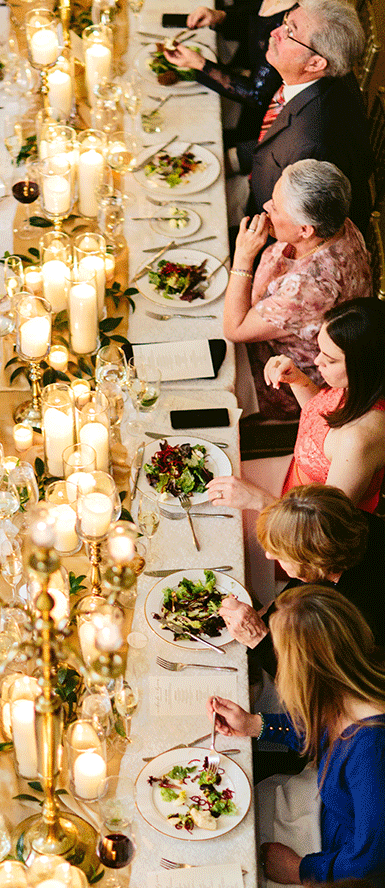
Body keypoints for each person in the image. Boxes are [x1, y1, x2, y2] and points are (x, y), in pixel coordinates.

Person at [211, 585, 385, 885]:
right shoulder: (353, 678)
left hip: (339, 861)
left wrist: (299, 870)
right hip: (329, 805)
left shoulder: (372, 753)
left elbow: (370, 860)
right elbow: (320, 727)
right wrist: (254, 724)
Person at [222, 159, 371, 418]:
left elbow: (234, 329)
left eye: (276, 208)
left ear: (305, 229)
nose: (267, 207)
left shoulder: (308, 288)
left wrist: (243, 257)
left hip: (284, 374)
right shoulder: (336, 222)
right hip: (279, 325)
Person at [208, 298, 385, 514]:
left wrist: (258, 500)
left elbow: (322, 526)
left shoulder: (359, 440)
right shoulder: (356, 387)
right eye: (319, 350)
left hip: (298, 526)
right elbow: (322, 425)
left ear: (362, 366)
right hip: (291, 480)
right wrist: (299, 381)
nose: (317, 361)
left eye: (330, 360)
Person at [230, 0, 372, 234]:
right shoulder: (320, 77)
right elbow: (275, 140)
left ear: (316, 63)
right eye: (284, 22)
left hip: (274, 227)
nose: (275, 32)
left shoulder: (311, 145)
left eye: (290, 32)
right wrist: (233, 158)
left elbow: (297, 232)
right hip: (260, 181)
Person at [219, 484, 385, 673]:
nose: (269, 556)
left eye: (281, 554)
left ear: (314, 565)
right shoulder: (350, 523)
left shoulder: (354, 617)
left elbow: (317, 682)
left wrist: (257, 639)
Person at [164, 0, 292, 145]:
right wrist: (220, 17)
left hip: (263, 119)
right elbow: (252, 25)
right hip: (243, 72)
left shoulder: (291, 21)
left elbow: (257, 95)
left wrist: (201, 65)